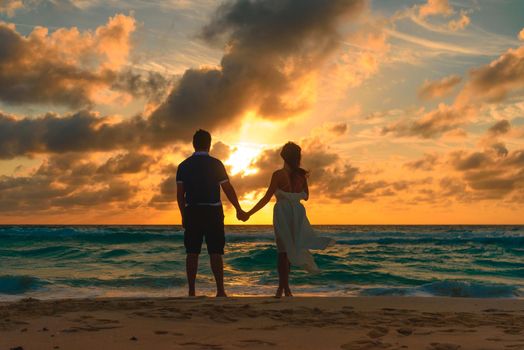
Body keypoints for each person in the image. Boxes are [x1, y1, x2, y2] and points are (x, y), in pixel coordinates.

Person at [244, 142, 334, 297]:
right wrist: (295, 196)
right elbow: (306, 197)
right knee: (290, 247)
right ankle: (286, 288)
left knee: (282, 250)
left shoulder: (278, 175)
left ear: (283, 156)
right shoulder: (301, 175)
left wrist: (249, 213)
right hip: (297, 213)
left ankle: (282, 288)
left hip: (283, 212)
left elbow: (266, 198)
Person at [176, 129, 248, 297]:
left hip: (192, 210)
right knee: (216, 251)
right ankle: (220, 290)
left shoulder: (183, 166)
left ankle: (192, 291)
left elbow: (180, 194)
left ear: (194, 144)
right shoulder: (216, 164)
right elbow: (227, 188)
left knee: (192, 252)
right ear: (209, 145)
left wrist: (183, 214)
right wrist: (238, 209)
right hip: (213, 211)